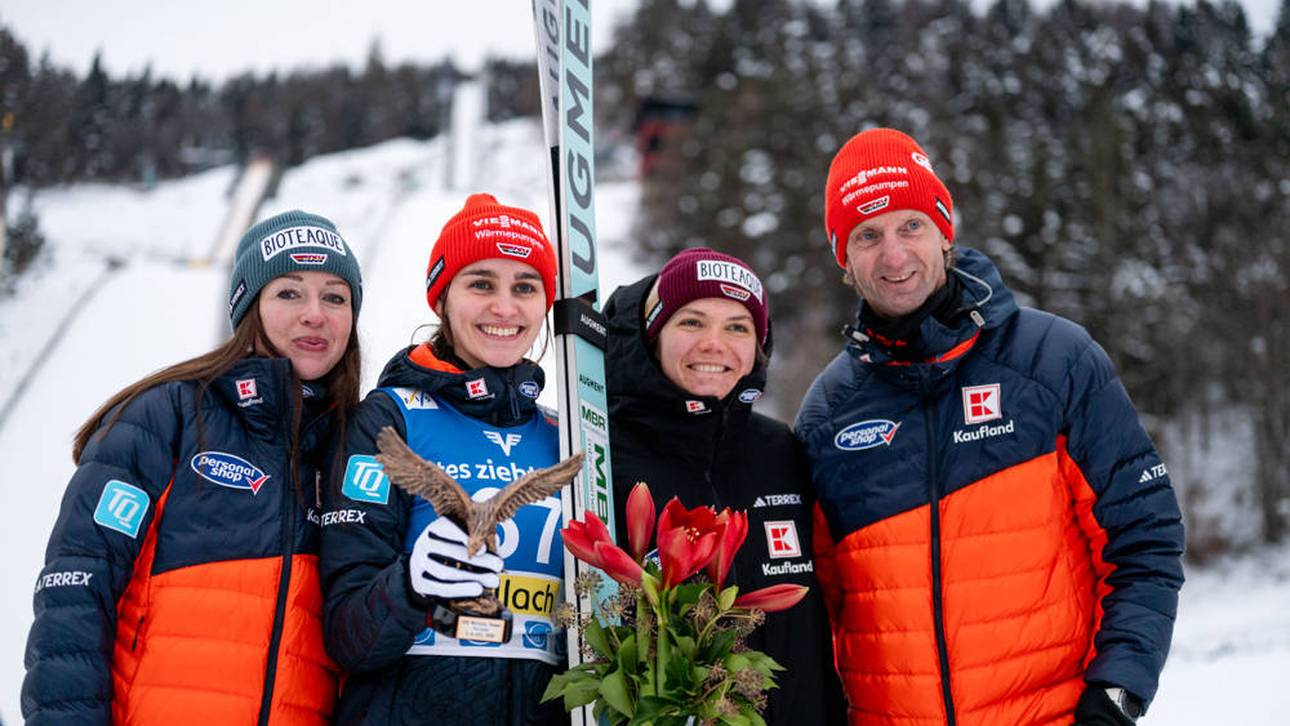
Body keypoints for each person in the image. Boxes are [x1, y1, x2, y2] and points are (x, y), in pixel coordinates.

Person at [795, 127, 1185, 725]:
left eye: (911, 226)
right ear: (843, 258)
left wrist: (1116, 693)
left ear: (945, 230)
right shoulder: (827, 414)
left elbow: (1145, 539)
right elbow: (809, 610)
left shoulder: (1055, 360)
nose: (893, 256)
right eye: (867, 236)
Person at [21, 210, 364, 724]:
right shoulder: (165, 417)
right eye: (289, 293)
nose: (315, 314)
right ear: (248, 307)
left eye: (335, 296)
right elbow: (74, 598)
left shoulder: (353, 449)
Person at [320, 193, 566, 725]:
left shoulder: (562, 435)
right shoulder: (392, 420)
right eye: (481, 284)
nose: (505, 307)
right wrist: (408, 583)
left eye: (525, 287)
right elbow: (346, 638)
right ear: (442, 300)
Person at [604, 248, 848, 725]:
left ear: (759, 345)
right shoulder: (603, 449)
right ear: (654, 336)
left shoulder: (783, 453)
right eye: (691, 322)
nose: (714, 344)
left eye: (737, 327)